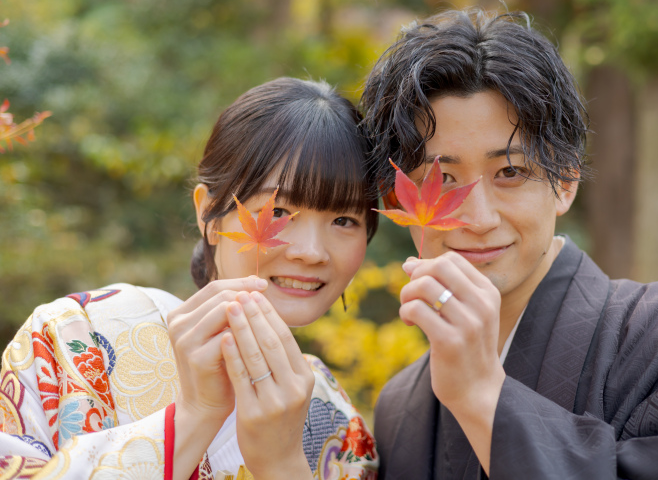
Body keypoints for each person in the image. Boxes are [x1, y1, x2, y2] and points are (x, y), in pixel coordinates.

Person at [359, 9, 658, 480]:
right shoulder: (402, 405)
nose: (480, 219)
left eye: (510, 172)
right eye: (443, 179)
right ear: (397, 196)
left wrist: (483, 396)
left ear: (565, 181)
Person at [0, 78, 380, 479]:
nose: (312, 251)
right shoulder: (76, 337)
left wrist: (283, 465)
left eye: (344, 219)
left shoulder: (336, 419)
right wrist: (193, 419)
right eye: (280, 210)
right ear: (209, 214)